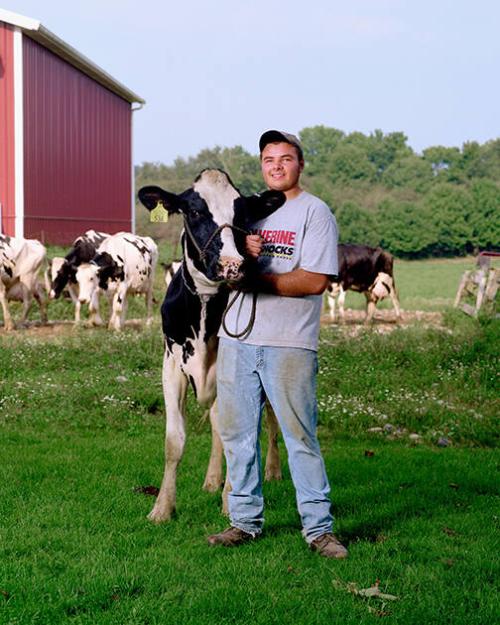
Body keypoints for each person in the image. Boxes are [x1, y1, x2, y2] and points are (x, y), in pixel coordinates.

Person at [208, 130, 348, 559]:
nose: (276, 166)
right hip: (236, 338)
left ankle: (318, 529)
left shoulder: (315, 213)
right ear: (262, 164)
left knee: (299, 437)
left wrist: (257, 278)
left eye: (285, 159)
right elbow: (219, 264)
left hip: (289, 342)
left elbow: (315, 279)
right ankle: (244, 522)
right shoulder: (245, 210)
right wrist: (240, 255)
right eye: (269, 159)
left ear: (299, 164)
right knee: (237, 435)